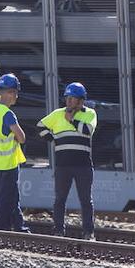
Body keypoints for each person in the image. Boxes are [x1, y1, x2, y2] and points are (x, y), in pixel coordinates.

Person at [38, 81, 97, 239]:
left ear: (81, 100)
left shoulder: (90, 113)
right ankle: (58, 230)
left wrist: (72, 120)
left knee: (85, 200)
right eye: (67, 98)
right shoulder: (58, 114)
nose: (69, 101)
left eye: (72, 99)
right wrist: (54, 139)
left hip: (83, 166)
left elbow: (87, 131)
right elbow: (40, 127)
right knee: (60, 199)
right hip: (63, 166)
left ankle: (88, 232)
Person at [0, 73, 29, 232]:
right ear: (5, 92)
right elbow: (22, 137)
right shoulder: (7, 114)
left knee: (10, 197)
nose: (16, 96)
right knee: (7, 198)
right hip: (8, 163)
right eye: (13, 92)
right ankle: (2, 229)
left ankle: (19, 226)